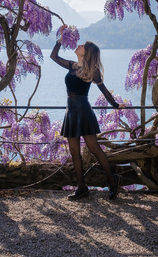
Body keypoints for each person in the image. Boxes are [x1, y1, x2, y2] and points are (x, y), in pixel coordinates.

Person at [50, 39, 124, 201]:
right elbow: (53, 56)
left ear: (88, 52)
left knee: (94, 148)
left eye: (82, 45)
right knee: (74, 152)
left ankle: (113, 180)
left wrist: (115, 105)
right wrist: (60, 41)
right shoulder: (72, 65)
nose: (78, 45)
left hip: (83, 110)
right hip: (71, 111)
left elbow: (103, 90)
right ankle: (82, 187)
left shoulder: (93, 70)